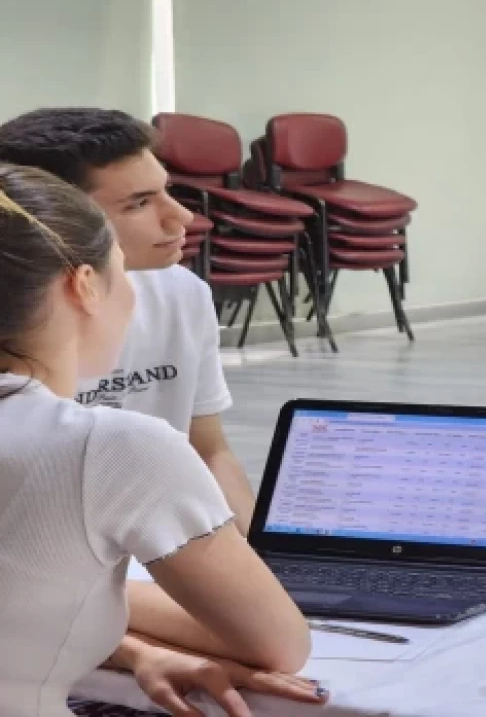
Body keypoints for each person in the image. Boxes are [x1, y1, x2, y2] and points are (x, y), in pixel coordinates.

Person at [0, 164, 319, 715]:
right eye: (123, 271)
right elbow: (279, 645)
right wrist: (86, 592)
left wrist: (124, 646)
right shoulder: (109, 446)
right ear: (83, 285)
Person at [0, 108, 255, 532]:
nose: (181, 216)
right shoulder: (15, 317)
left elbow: (209, 451)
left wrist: (262, 553)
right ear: (55, 216)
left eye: (166, 191)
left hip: (163, 544)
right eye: (138, 203)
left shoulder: (182, 291)